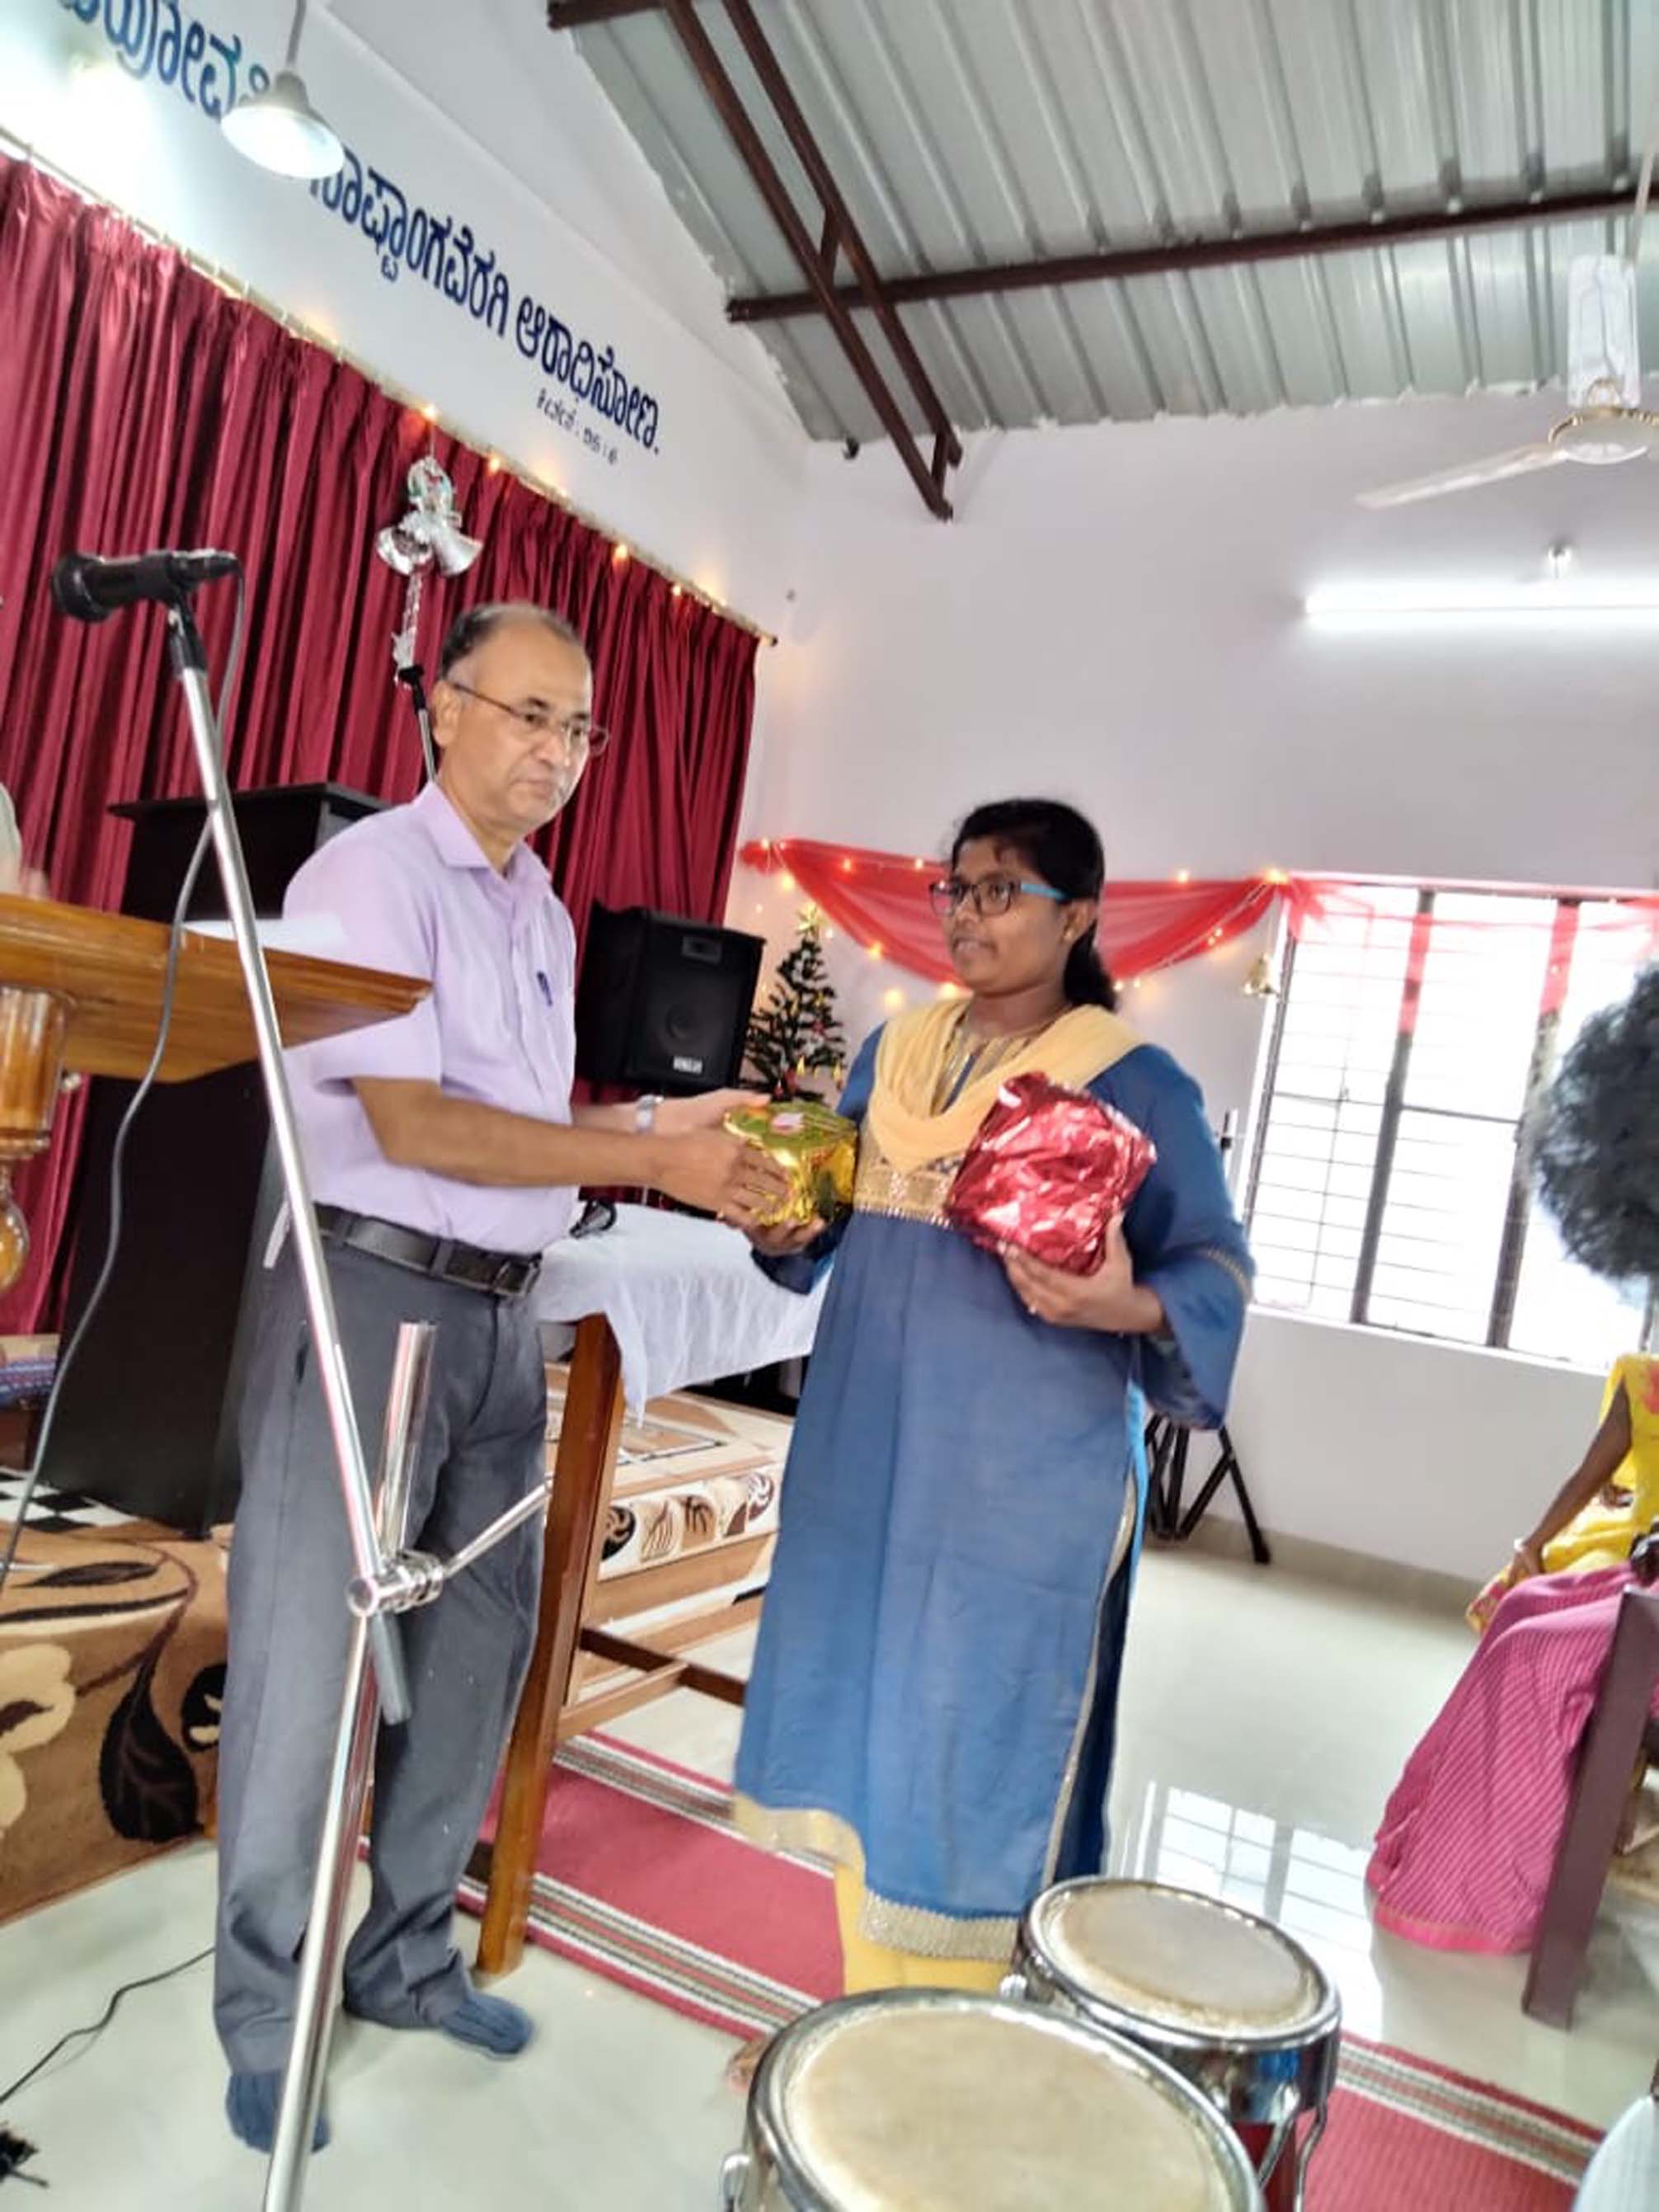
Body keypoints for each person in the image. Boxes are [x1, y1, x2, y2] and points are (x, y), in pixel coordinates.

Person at [213, 601, 786, 2153]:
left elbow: (524, 1125)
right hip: (368, 1294)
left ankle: (403, 1958)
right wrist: (647, 1157)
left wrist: (652, 1132)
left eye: (579, 727)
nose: (557, 752)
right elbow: (416, 1126)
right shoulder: (367, 880)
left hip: (497, 1318)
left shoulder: (538, 909)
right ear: (441, 710)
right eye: (528, 714)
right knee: (310, 1660)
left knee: (475, 1644)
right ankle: (265, 2010)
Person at [732, 798, 1252, 2004]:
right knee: (864, 1717)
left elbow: (1216, 1269)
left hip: (1019, 1486)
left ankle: (948, 2049)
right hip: (867, 1455)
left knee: (969, 1741)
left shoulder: (1133, 1082)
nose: (967, 914)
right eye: (956, 889)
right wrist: (784, 1218)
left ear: (1077, 917)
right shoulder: (894, 1053)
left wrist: (1126, 1303)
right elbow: (826, 1222)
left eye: (1001, 891)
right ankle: (864, 2019)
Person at [1368, 1353, 1659, 1953]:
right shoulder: (1643, 1378)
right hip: (1649, 1570)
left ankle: (1494, 1896)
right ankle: (1443, 1845)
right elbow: (1593, 1479)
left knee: (1532, 1656)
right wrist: (1536, 1544)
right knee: (1521, 1607)